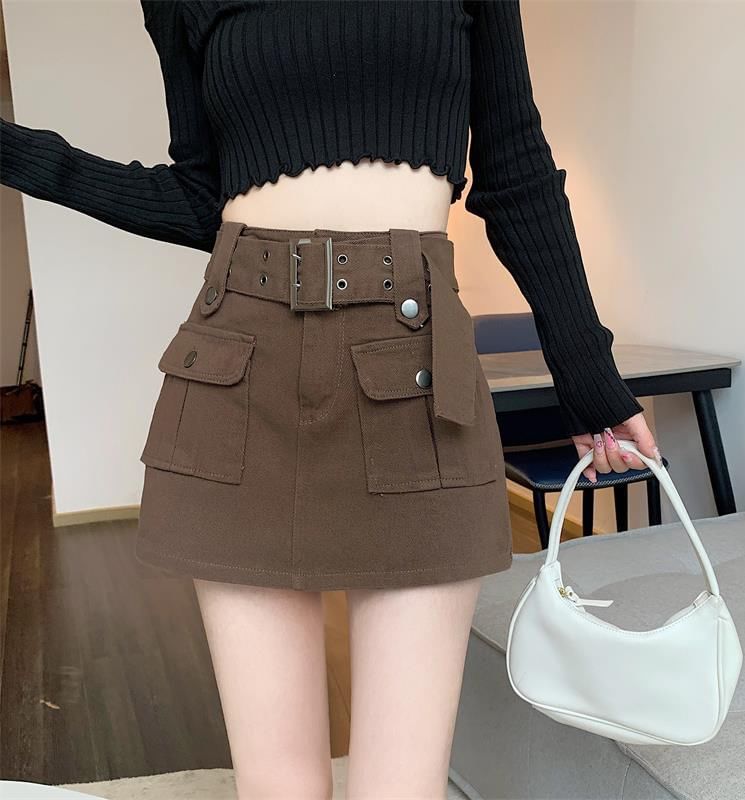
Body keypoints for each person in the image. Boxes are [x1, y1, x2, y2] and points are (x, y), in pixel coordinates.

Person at [0, 1, 660, 798]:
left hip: (414, 366)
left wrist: (587, 377)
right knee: (275, 786)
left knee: (400, 788)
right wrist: (20, 155)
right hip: (240, 359)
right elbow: (200, 195)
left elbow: (515, 167)